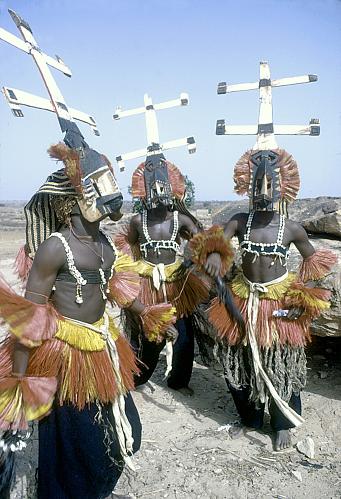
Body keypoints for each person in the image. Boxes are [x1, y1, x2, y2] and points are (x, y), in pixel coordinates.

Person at [0, 141, 175, 498]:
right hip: (64, 357)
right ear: (73, 199)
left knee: (126, 433)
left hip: (103, 348)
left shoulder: (106, 245)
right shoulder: (55, 247)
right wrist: (20, 383)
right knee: (77, 443)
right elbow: (29, 318)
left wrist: (149, 316)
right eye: (99, 185)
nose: (112, 192)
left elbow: (119, 293)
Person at [191, 148, 336, 450]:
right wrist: (216, 255)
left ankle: (282, 422)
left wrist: (303, 297)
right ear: (248, 186)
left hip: (277, 307)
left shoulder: (292, 228)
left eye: (271, 185)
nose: (264, 192)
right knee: (239, 361)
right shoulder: (240, 221)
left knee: (281, 362)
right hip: (242, 301)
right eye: (258, 185)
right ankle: (250, 419)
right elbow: (214, 241)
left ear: (284, 186)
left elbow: (315, 266)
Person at [115, 153, 226, 393]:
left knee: (184, 336)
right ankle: (137, 377)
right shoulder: (137, 221)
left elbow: (203, 242)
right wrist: (128, 276)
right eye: (152, 187)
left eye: (162, 186)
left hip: (176, 285)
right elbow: (128, 248)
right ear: (144, 190)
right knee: (148, 336)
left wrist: (198, 260)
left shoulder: (181, 220)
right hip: (147, 284)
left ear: (171, 187)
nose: (157, 191)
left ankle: (178, 381)